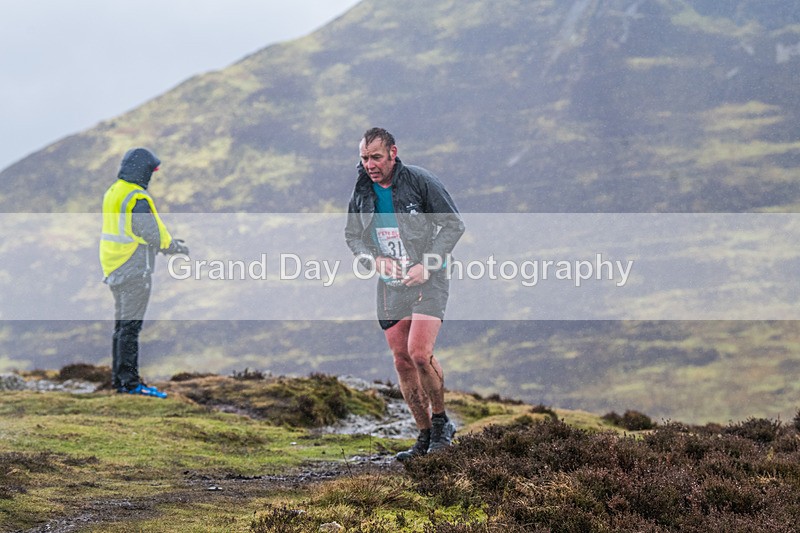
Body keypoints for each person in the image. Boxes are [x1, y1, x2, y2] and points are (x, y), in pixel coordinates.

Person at [345, 127, 465, 461]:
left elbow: (454, 224)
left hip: (429, 277)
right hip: (390, 284)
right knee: (401, 359)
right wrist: (375, 260)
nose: (370, 164)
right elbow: (353, 236)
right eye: (364, 158)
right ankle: (424, 435)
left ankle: (442, 424)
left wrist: (428, 264)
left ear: (393, 153)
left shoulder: (420, 181)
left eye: (376, 157)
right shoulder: (361, 192)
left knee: (419, 353)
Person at [99, 148, 188, 398]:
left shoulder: (115, 191)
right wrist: (173, 247)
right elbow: (148, 232)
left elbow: (132, 230)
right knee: (130, 328)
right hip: (133, 269)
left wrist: (167, 242)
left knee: (122, 327)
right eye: (151, 171)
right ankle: (130, 384)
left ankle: (121, 381)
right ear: (143, 170)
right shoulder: (136, 197)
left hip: (114, 266)